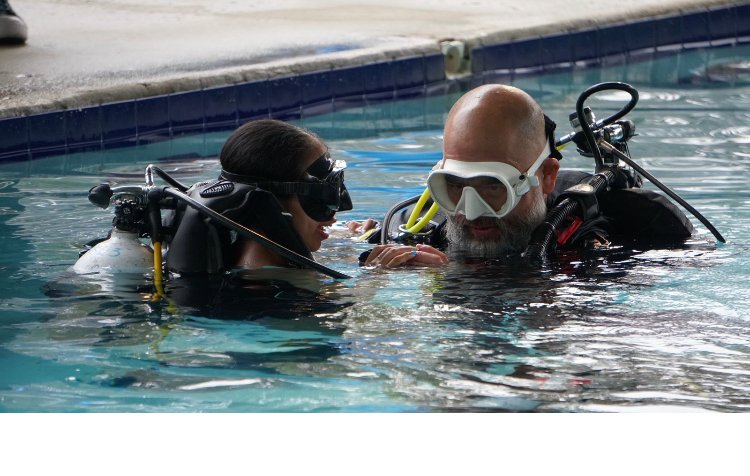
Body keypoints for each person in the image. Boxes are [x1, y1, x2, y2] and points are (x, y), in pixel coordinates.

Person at [361, 84, 693, 267]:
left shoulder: (614, 244)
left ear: (547, 176)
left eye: (493, 186)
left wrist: (452, 282)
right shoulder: (417, 231)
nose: (471, 212)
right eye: (455, 186)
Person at [166, 119, 352, 275]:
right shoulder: (267, 282)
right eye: (323, 197)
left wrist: (356, 237)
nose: (334, 216)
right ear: (273, 203)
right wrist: (377, 273)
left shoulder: (244, 258)